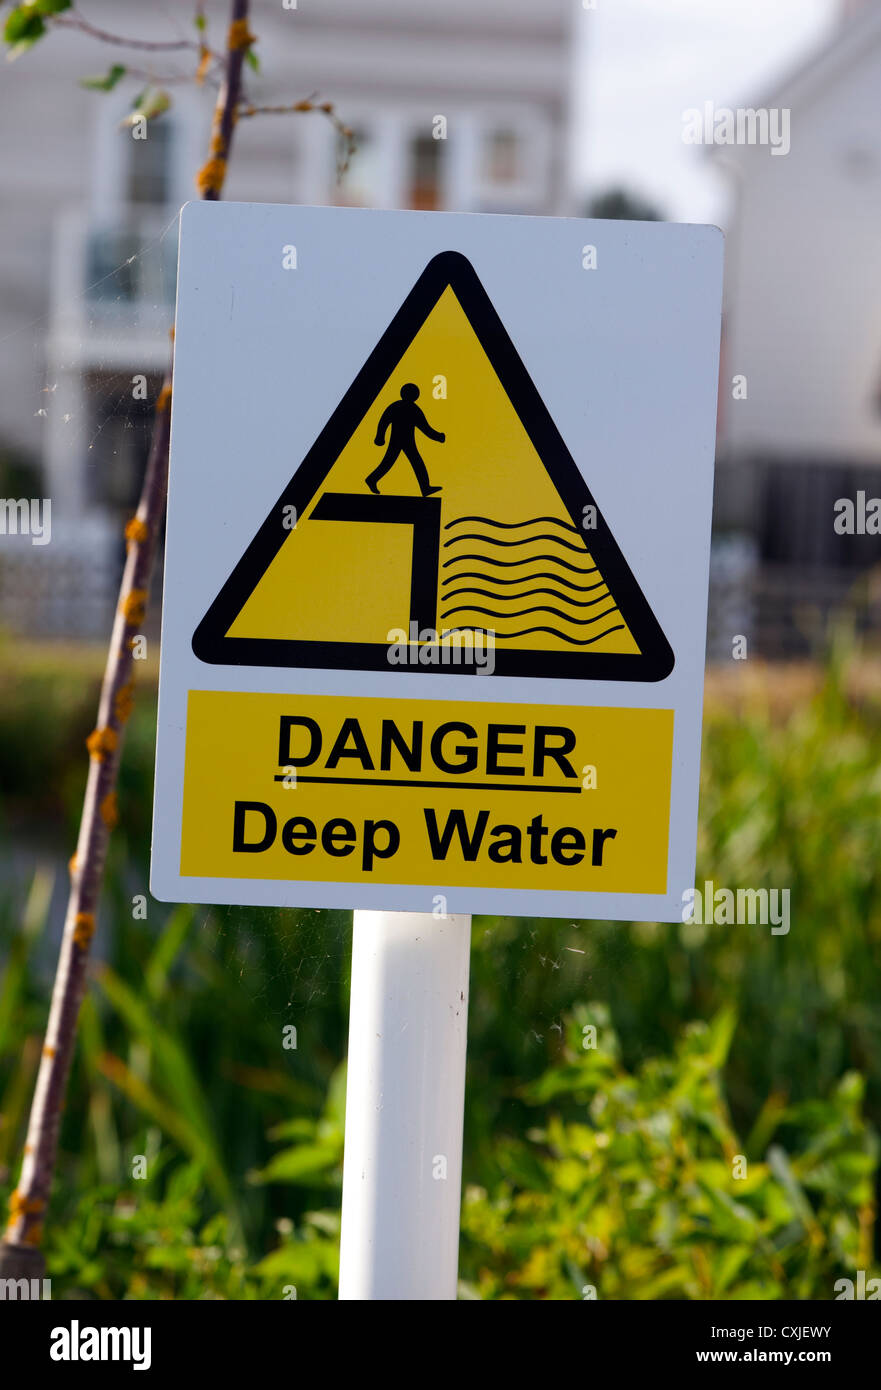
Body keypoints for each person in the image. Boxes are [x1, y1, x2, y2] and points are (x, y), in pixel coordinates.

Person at [366, 383, 444, 496]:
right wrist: (379, 436)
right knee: (402, 462)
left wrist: (380, 436)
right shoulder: (410, 408)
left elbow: (425, 427)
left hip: (405, 441)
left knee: (394, 462)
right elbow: (384, 421)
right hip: (400, 440)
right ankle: (425, 487)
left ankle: (425, 487)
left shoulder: (400, 406)